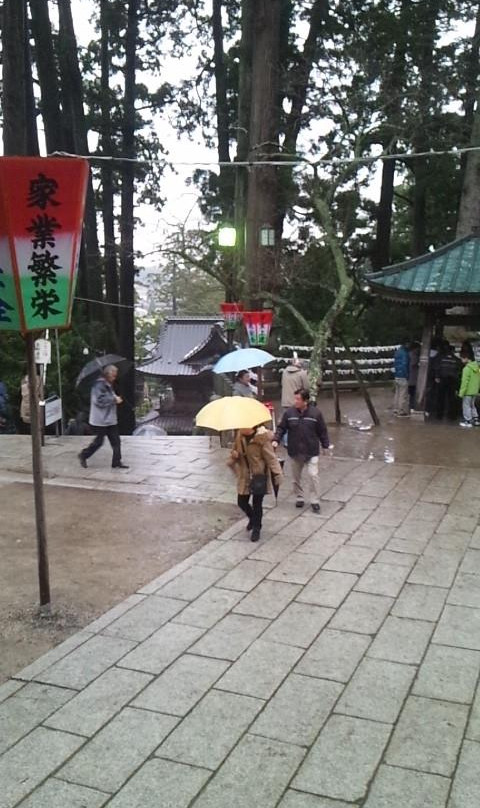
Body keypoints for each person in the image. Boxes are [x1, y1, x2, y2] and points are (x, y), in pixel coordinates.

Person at [273, 388, 330, 513]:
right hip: (295, 450)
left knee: (313, 475)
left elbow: (322, 431)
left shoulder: (316, 414)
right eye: (295, 398)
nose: (295, 401)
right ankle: (299, 496)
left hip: (311, 450)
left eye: (298, 399)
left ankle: (315, 499)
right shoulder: (289, 413)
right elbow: (281, 428)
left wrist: (325, 446)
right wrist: (276, 439)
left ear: (306, 400)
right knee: (296, 477)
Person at [227, 424, 282, 542]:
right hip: (245, 475)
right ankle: (252, 518)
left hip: (258, 475)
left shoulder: (262, 439)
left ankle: (257, 528)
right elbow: (235, 450)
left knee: (257, 503)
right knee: (241, 501)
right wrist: (234, 454)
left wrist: (277, 473)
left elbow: (271, 458)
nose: (240, 428)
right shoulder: (239, 436)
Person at [78, 365, 129, 468]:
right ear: (107, 374)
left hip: (110, 419)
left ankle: (116, 462)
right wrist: (114, 399)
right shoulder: (98, 385)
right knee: (99, 442)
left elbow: (110, 395)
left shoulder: (108, 384)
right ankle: (83, 455)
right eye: (113, 376)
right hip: (101, 419)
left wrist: (115, 397)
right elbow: (99, 401)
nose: (114, 378)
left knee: (116, 441)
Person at [434, 342, 461, 421]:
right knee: (451, 398)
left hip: (442, 379)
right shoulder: (456, 359)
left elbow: (437, 368)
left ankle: (439, 415)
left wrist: (437, 376)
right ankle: (452, 416)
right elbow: (459, 370)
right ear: (453, 351)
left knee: (440, 398)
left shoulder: (441, 358)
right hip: (452, 380)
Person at [458, 350, 480, 428]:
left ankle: (468, 421)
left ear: (466, 358)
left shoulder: (466, 369)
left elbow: (464, 382)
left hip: (467, 391)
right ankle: (476, 420)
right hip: (474, 390)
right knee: (472, 405)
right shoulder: (477, 367)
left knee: (466, 406)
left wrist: (461, 393)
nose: (461, 361)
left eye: (462, 359)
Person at [393, 338, 410, 417]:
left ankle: (396, 409)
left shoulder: (397, 352)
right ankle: (401, 410)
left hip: (397, 375)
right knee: (403, 394)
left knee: (397, 393)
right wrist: (407, 375)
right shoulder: (405, 354)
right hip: (403, 375)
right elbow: (404, 365)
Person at [408, 341, 420, 411]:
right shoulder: (414, 356)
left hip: (410, 377)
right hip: (413, 378)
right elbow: (413, 364)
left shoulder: (409, 354)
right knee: (412, 393)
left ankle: (411, 406)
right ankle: (412, 407)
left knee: (410, 393)